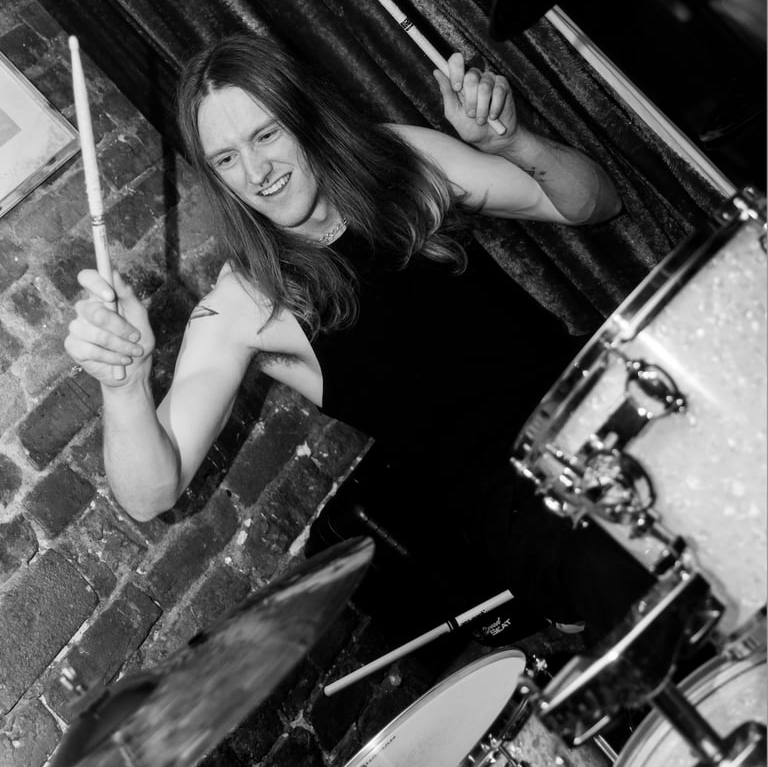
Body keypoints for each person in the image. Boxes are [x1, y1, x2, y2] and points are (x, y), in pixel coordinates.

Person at [66, 33, 651, 640]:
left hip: (605, 405)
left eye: (266, 135)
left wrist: (515, 144)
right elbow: (150, 494)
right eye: (226, 159)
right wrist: (124, 385)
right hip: (537, 515)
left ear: (307, 116)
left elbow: (594, 204)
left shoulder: (402, 160)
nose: (257, 173)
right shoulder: (244, 305)